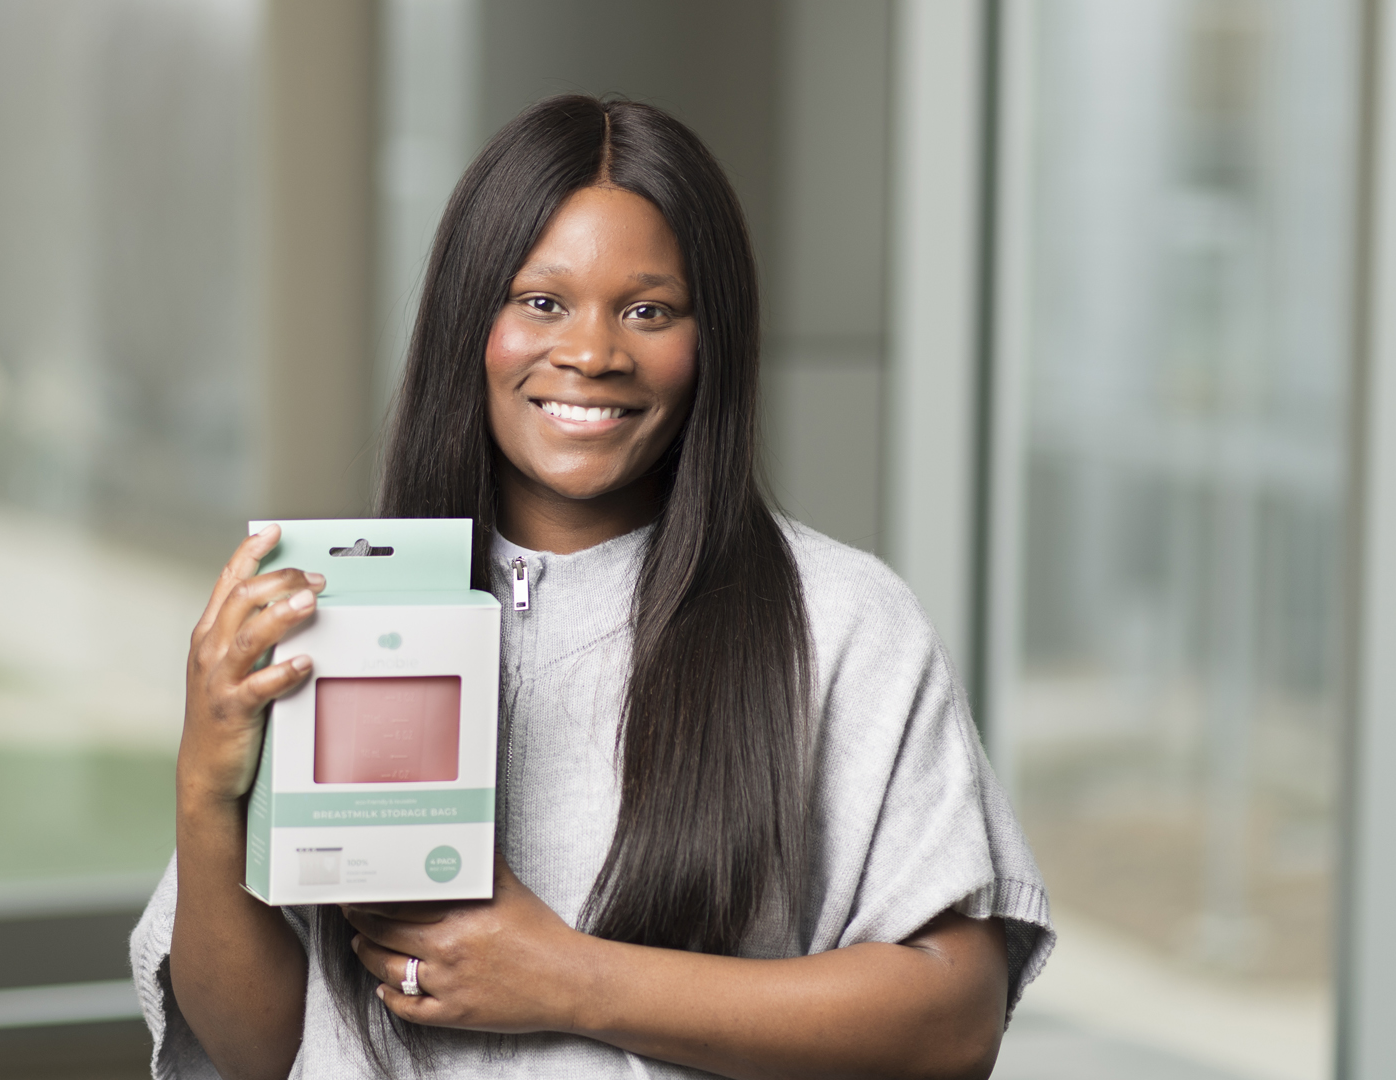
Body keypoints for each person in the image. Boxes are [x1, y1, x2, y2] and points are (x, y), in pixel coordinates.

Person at [130, 95, 1052, 1080]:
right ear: (468, 321)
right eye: (541, 301)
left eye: (648, 310)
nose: (593, 352)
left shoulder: (843, 621)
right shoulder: (331, 610)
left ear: (712, 343)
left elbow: (956, 1022)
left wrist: (566, 976)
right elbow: (255, 1052)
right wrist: (205, 782)